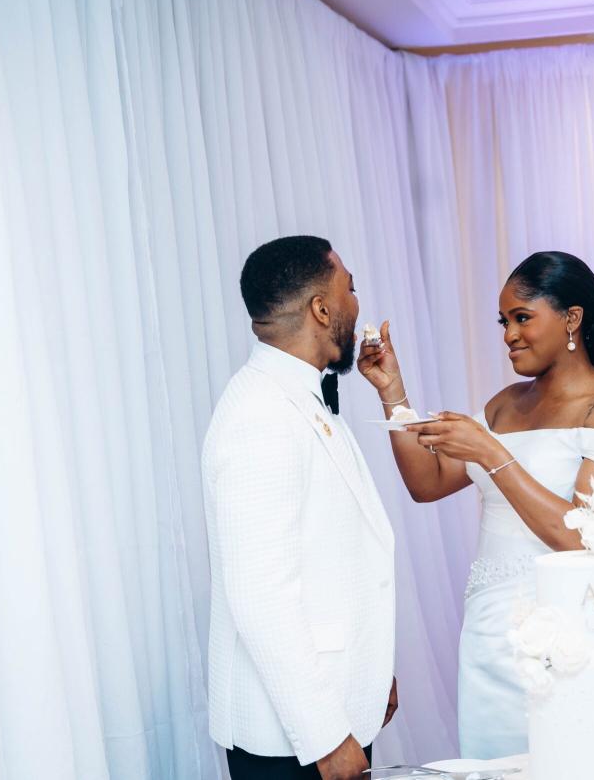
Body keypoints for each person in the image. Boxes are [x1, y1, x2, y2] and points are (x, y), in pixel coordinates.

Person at [357, 250, 594, 759]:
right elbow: (427, 482)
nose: (509, 335)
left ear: (572, 318)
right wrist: (393, 391)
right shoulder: (505, 404)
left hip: (563, 639)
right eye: (503, 322)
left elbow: (583, 539)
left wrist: (492, 454)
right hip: (487, 637)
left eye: (522, 317)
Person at [203, 235, 398, 780]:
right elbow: (261, 594)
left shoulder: (299, 397)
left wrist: (373, 669)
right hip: (296, 737)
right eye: (350, 289)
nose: (356, 304)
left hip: (335, 705)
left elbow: (333, 556)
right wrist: (325, 737)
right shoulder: (259, 415)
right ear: (322, 309)